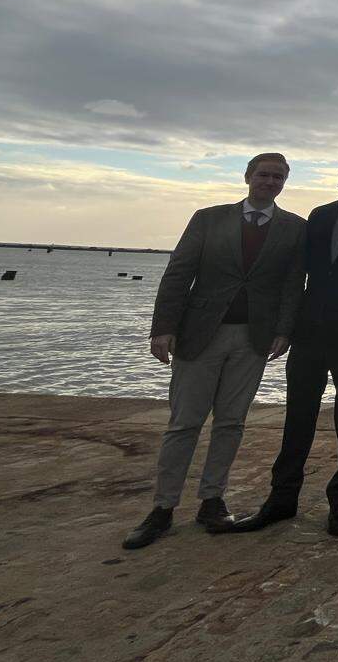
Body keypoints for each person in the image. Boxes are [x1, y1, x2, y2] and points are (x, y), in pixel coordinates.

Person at [123, 154, 306, 550]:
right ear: (248, 176)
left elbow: (294, 284)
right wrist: (163, 328)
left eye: (278, 177)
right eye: (263, 174)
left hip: (254, 339)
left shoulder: (294, 228)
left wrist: (284, 331)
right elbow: (179, 273)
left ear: (284, 183)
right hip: (200, 334)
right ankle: (163, 508)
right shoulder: (208, 219)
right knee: (184, 423)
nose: (270, 182)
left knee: (231, 422)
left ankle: (212, 500)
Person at [226, 146, 338, 537]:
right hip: (310, 332)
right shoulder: (321, 215)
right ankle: (281, 499)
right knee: (298, 417)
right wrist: (286, 325)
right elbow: (299, 273)